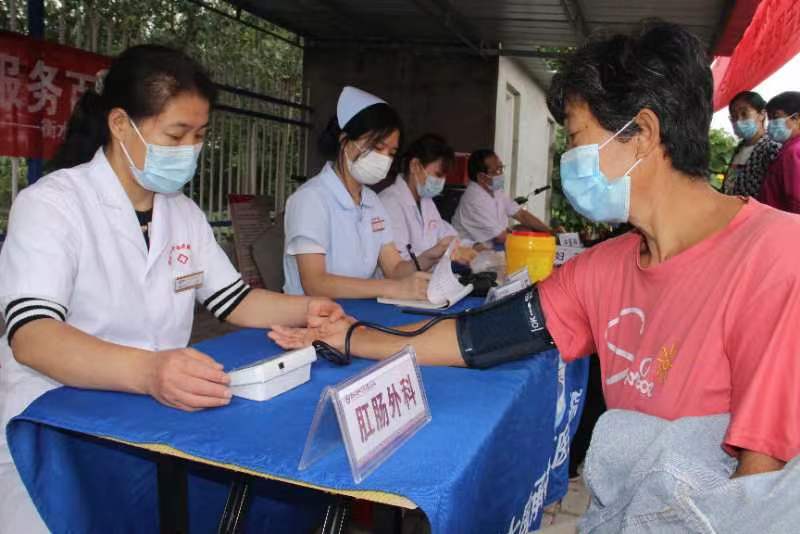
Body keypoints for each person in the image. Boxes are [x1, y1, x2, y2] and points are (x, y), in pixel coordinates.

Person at [271, 22, 800, 487]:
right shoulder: (604, 268)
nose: (569, 158)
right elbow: (478, 336)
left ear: (641, 133)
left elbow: (760, 478)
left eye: (576, 137)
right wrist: (350, 336)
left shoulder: (776, 256)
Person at [0, 45, 344, 532]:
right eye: (176, 134)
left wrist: (309, 308)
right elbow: (33, 337)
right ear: (121, 125)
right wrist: (148, 370)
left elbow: (235, 300)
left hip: (148, 413)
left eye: (199, 136)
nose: (189, 150)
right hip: (56, 420)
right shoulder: (52, 205)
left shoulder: (182, 213)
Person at [282, 86, 430, 299]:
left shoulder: (372, 201)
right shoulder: (310, 199)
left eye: (391, 153)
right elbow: (315, 284)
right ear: (345, 141)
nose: (384, 158)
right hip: (310, 314)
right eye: (377, 147)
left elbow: (394, 268)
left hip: (354, 310)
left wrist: (431, 259)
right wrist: (393, 288)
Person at [378, 133, 477, 268]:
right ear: (415, 166)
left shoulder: (426, 202)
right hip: (403, 279)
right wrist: (442, 253)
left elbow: (447, 235)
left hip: (429, 276)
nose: (442, 182)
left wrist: (471, 247)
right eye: (438, 175)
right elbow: (400, 264)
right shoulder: (389, 203)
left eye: (444, 177)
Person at [452, 149, 551, 245]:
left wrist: (550, 232)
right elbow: (500, 237)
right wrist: (539, 239)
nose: (501, 174)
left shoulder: (496, 191)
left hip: (494, 246)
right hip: (470, 251)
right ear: (481, 177)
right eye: (497, 170)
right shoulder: (474, 200)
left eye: (501, 168)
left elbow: (521, 215)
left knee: (525, 229)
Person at [722, 91, 782, 197]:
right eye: (734, 117)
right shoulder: (740, 148)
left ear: (762, 114)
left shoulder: (771, 147)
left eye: (744, 114)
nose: (738, 121)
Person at [759, 91, 800, 213]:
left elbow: (796, 199)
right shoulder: (788, 148)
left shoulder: (794, 151)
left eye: (776, 117)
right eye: (770, 119)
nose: (770, 124)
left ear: (796, 118)